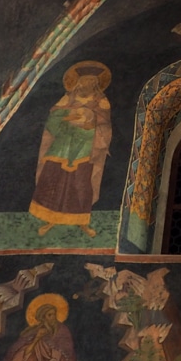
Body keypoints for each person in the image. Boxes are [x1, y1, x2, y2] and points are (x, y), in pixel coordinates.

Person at [29, 61, 113, 237]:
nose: (88, 84)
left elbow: (105, 125)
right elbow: (53, 118)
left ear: (96, 84)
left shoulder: (101, 102)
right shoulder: (67, 99)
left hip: (85, 148)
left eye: (92, 81)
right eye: (85, 81)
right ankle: (49, 217)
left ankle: (81, 221)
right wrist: (68, 117)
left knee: (81, 183)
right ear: (79, 82)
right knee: (54, 180)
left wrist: (90, 123)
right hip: (62, 146)